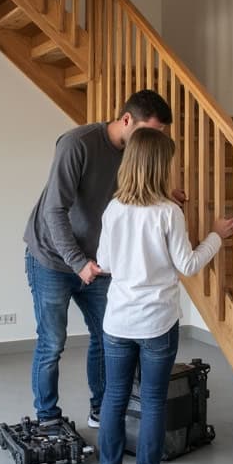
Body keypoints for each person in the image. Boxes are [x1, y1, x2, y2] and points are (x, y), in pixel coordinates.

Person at [93, 128, 233, 464]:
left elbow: (106, 262)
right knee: (154, 398)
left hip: (118, 320)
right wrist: (217, 235)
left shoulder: (114, 209)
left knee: (114, 395)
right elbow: (188, 265)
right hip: (157, 321)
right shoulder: (169, 213)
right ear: (160, 168)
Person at [24, 90, 174, 429]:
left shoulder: (134, 154)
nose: (153, 141)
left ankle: (100, 410)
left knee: (108, 336)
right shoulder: (77, 144)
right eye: (149, 132)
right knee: (52, 342)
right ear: (125, 120)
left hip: (98, 261)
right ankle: (47, 417)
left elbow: (132, 194)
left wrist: (164, 196)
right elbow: (54, 209)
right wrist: (78, 262)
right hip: (51, 257)